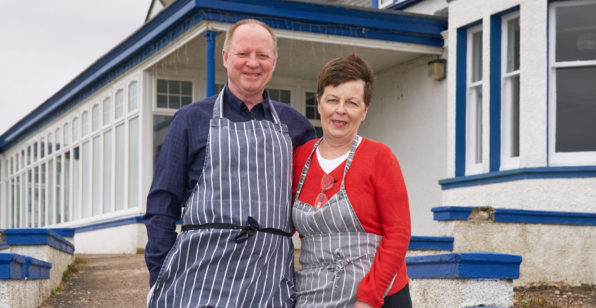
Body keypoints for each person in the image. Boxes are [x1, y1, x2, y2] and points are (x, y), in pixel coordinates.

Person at [144, 19, 316, 307]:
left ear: (273, 62)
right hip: (196, 286)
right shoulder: (190, 120)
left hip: (269, 287)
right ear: (225, 58)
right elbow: (162, 205)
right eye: (243, 54)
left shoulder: (296, 126)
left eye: (262, 55)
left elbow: (310, 209)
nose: (253, 63)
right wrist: (160, 276)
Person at [292, 53, 412, 308]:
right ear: (319, 102)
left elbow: (398, 234)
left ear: (365, 111)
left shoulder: (380, 157)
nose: (340, 111)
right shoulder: (299, 157)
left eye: (352, 103)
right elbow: (282, 227)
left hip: (378, 299)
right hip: (313, 296)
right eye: (332, 100)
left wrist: (369, 297)